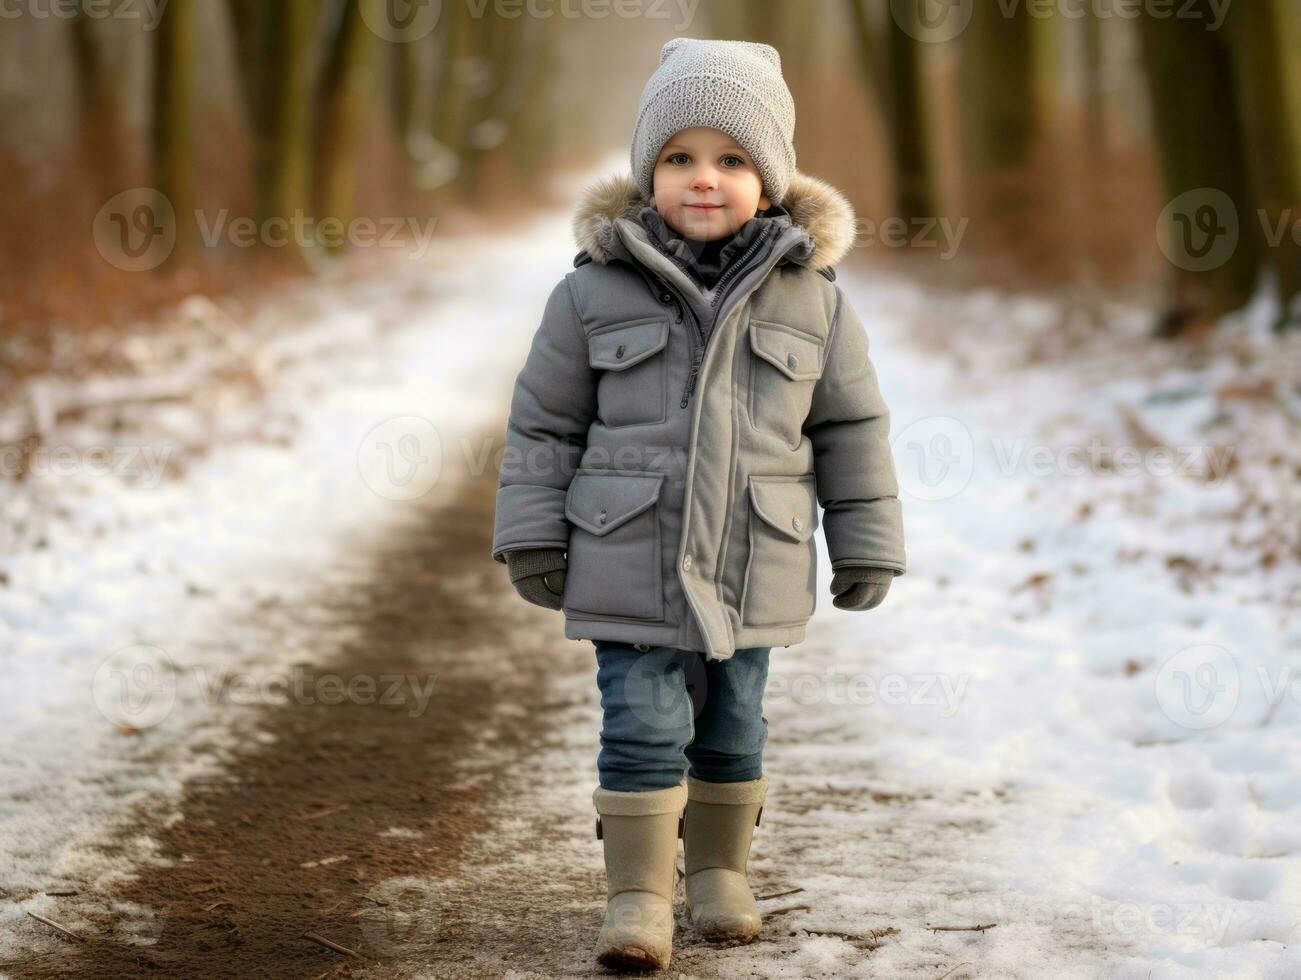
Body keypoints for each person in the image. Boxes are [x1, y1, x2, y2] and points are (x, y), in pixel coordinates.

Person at [490, 37, 906, 972]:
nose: (703, 179)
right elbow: (543, 424)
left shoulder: (814, 300)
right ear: (646, 175)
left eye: (730, 159)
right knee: (639, 720)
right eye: (678, 157)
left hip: (754, 557)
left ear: (770, 178)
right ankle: (637, 893)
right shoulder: (591, 291)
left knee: (734, 720)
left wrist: (868, 543)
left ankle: (719, 874)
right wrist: (530, 532)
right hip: (625, 553)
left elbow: (851, 429)